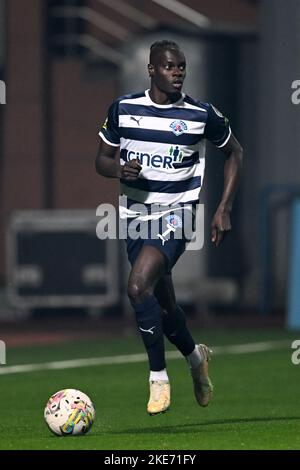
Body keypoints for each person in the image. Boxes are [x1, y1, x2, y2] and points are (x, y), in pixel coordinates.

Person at [96, 40, 243, 415]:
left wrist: (223, 208)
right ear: (151, 70)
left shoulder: (200, 114)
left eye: (181, 67)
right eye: (169, 67)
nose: (177, 72)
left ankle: (158, 379)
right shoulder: (124, 109)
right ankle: (196, 358)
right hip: (133, 219)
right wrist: (118, 169)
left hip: (178, 214)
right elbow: (102, 159)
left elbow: (235, 152)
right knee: (164, 307)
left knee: (136, 285)